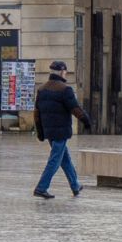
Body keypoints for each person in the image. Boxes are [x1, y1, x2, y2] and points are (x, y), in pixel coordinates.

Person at [31, 61, 92, 198]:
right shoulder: (65, 90)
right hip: (61, 131)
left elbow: (36, 113)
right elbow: (75, 108)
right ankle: (41, 187)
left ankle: (75, 185)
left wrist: (40, 132)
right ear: (62, 72)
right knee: (55, 160)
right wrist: (86, 121)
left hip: (49, 131)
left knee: (65, 159)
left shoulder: (42, 89)